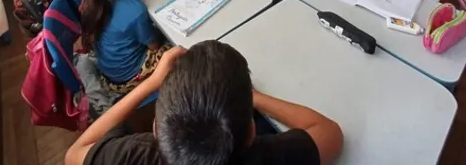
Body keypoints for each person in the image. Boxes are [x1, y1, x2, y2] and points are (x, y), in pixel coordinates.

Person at [64, 40, 344, 165]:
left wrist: (151, 81)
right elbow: (329, 131)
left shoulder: (136, 156)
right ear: (251, 133)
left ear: (155, 130)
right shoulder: (272, 157)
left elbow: (74, 153)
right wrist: (254, 98)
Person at [80, 0, 168, 94]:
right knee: (176, 47)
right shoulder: (134, 9)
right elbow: (154, 46)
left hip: (109, 70)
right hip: (128, 77)